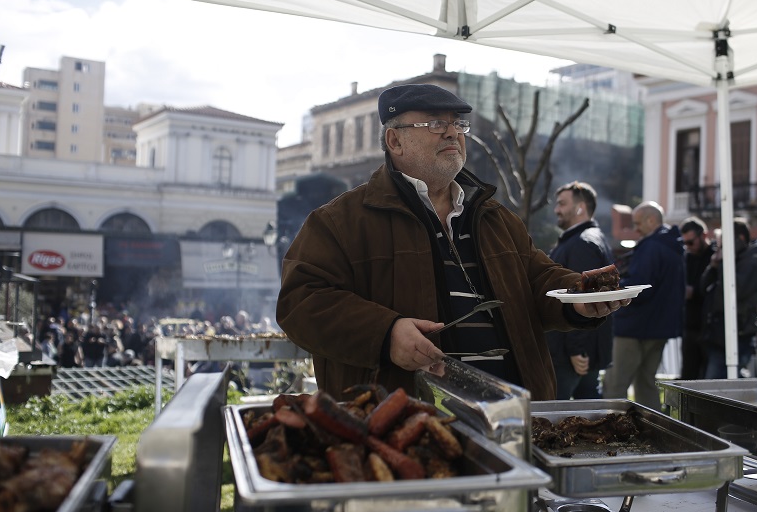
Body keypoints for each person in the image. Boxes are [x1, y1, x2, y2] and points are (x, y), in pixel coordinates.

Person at [276, 84, 627, 401]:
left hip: (513, 417)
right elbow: (300, 302)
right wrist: (386, 333)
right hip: (405, 424)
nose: (452, 133)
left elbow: (538, 280)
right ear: (394, 141)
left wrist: (577, 298)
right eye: (433, 124)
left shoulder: (496, 217)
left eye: (458, 125)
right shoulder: (340, 221)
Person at [602, 201, 684, 411]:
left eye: (638, 223)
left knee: (615, 384)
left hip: (634, 327)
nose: (635, 229)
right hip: (660, 328)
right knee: (646, 384)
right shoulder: (674, 246)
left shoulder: (651, 247)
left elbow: (640, 287)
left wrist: (615, 288)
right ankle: (653, 432)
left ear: (651, 220)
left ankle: (609, 430)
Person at [546, 181, 615, 399]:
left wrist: (577, 349)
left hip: (572, 355)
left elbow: (583, 298)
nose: (556, 209)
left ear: (580, 207)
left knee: (557, 415)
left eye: (562, 204)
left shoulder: (582, 244)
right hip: (577, 350)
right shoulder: (586, 239)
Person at [699, 219, 757, 379]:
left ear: (739, 239)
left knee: (719, 384)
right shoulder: (728, 260)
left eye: (724, 243)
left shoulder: (753, 261)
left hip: (738, 333)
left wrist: (725, 261)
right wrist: (713, 266)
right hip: (718, 333)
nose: (721, 248)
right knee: (714, 383)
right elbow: (704, 289)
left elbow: (733, 290)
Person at [679, 216, 715, 380]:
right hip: (690, 325)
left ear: (704, 235)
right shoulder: (686, 257)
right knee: (688, 374)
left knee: (708, 376)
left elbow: (713, 289)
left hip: (709, 326)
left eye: (691, 242)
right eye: (685, 243)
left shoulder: (715, 256)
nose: (688, 247)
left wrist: (693, 292)